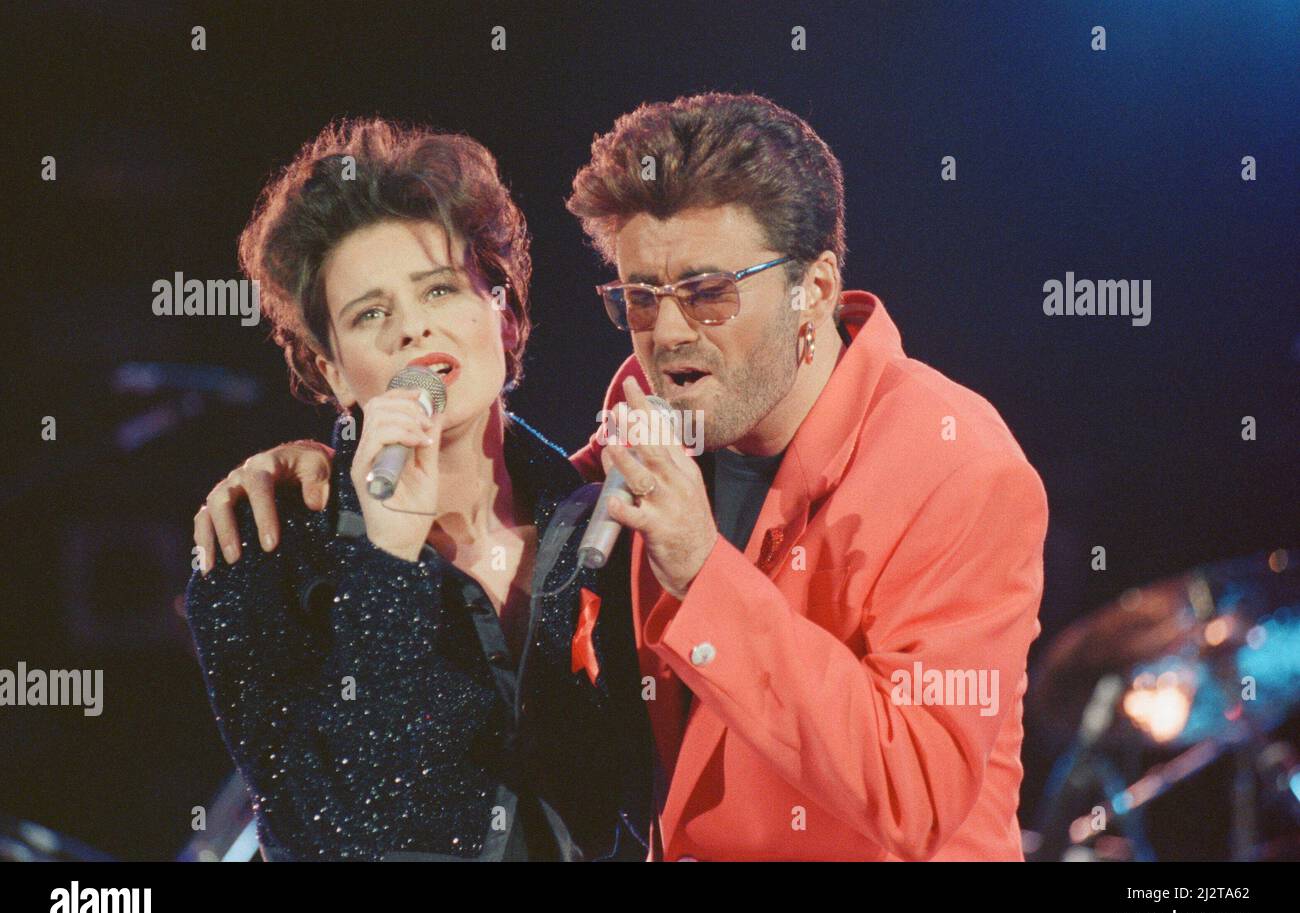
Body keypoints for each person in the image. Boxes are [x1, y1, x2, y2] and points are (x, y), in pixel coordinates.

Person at [195, 93, 1049, 861]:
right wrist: (337, 483)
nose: (670, 332)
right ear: (329, 365)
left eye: (709, 291)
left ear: (814, 289)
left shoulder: (954, 466)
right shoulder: (613, 466)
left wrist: (703, 571)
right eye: (641, 295)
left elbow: (917, 794)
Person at [185, 117, 652, 861]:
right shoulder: (261, 561)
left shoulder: (615, 526)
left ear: (502, 312)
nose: (412, 330)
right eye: (370, 314)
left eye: (438, 290)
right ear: (333, 371)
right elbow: (350, 834)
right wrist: (386, 559)